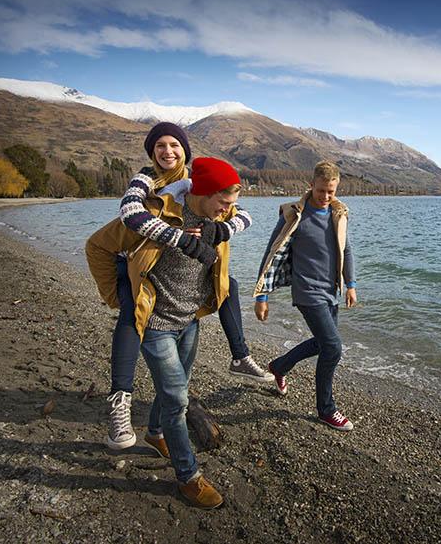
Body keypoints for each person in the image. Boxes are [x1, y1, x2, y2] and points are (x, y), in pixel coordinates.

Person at [86, 157, 250, 508]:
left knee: (175, 389)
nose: (229, 209)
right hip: (157, 324)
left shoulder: (217, 216)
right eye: (224, 201)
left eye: (231, 203)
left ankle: (155, 432)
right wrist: (118, 296)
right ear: (202, 192)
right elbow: (97, 245)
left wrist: (224, 226)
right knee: (177, 398)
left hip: (191, 320)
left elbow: (245, 219)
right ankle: (188, 477)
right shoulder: (154, 215)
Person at [107, 122, 269, 452]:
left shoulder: (198, 183)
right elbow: (129, 213)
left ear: (185, 150)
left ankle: (239, 355)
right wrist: (179, 238)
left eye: (174, 145)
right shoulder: (145, 178)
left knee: (228, 284)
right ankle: (120, 402)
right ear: (151, 153)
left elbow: (241, 213)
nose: (168, 151)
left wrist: (222, 231)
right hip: (135, 262)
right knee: (129, 315)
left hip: (180, 292)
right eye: (160, 146)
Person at [253, 161, 358, 431]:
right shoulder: (294, 215)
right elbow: (271, 253)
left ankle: (278, 366)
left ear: (337, 188)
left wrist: (351, 284)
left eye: (331, 192)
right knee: (333, 347)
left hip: (330, 291)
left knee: (323, 344)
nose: (325, 197)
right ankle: (326, 409)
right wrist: (262, 296)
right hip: (307, 291)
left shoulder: (339, 214)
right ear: (311, 185)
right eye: (321, 191)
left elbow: (346, 251)